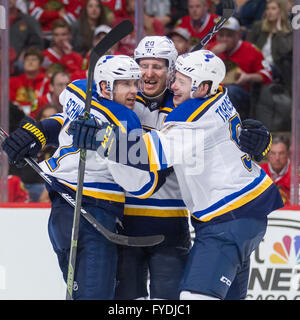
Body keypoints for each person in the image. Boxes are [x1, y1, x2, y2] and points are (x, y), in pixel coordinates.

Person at [74, 50, 282, 300]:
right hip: (244, 212)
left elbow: (148, 154)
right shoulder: (219, 94)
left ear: (203, 87)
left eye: (181, 82)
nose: (173, 87)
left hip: (228, 217)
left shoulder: (191, 115)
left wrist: (99, 138)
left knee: (193, 297)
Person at [1, 54, 160, 299]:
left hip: (62, 211)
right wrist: (39, 134)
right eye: (126, 84)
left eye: (135, 83)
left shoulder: (77, 92)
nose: (134, 91)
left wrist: (38, 133)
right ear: (106, 86)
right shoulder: (127, 117)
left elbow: (64, 122)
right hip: (93, 212)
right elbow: (139, 184)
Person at [115, 36, 191, 300]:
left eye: (157, 66)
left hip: (169, 225)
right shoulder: (120, 100)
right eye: (143, 65)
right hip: (123, 224)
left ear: (171, 71)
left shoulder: (186, 105)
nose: (148, 73)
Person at [208, 17, 273, 120]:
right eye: (221, 35)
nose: (224, 39)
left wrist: (247, 77)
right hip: (213, 91)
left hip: (241, 94)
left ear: (238, 35)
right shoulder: (212, 49)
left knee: (229, 91)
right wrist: (212, 54)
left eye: (229, 35)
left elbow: (268, 74)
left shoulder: (250, 49)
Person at [247, 0, 293, 94]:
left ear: (281, 11)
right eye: (267, 9)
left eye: (273, 9)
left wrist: (279, 29)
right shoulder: (258, 27)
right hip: (257, 65)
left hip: (276, 69)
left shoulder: (288, 32)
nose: (269, 12)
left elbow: (285, 51)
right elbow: (248, 46)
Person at [9, 46, 49, 119]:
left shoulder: (46, 82)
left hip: (38, 118)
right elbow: (9, 104)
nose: (30, 62)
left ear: (40, 63)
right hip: (17, 118)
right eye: (27, 59)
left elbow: (47, 104)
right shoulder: (13, 81)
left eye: (34, 59)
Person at [260, 135, 291, 205]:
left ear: (288, 154)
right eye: (273, 153)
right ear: (267, 154)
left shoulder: (296, 174)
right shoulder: (258, 172)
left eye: (281, 153)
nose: (277, 158)